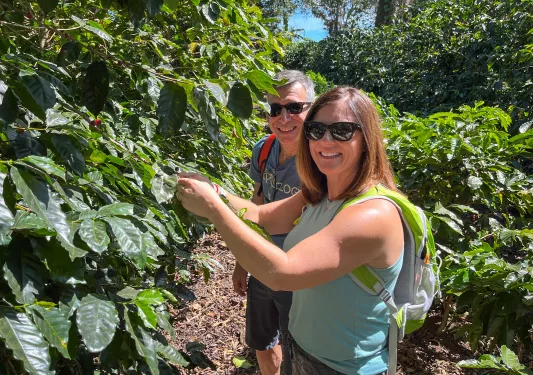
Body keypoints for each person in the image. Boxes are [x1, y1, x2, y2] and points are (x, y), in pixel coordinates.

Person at [176, 86, 402, 375]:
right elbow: (260, 215)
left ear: (367, 138)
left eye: (342, 130)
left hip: (344, 367)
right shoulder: (320, 191)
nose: (325, 140)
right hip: (301, 347)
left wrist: (213, 208)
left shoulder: (373, 214)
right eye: (316, 130)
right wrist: (214, 190)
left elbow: (282, 274)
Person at [223, 71, 315, 374]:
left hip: (304, 275)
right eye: (276, 109)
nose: (284, 117)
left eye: (294, 107)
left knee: (301, 350)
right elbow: (258, 200)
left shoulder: (323, 159)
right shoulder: (264, 149)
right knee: (262, 342)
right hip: (263, 264)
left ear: (312, 108)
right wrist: (242, 261)